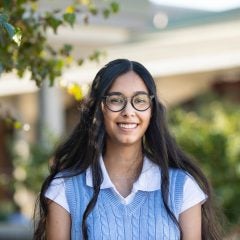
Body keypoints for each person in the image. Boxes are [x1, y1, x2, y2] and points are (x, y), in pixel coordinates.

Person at [34, 59, 222, 240]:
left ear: (152, 109)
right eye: (116, 100)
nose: (129, 112)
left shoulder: (183, 187)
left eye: (140, 100)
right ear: (100, 108)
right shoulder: (64, 189)